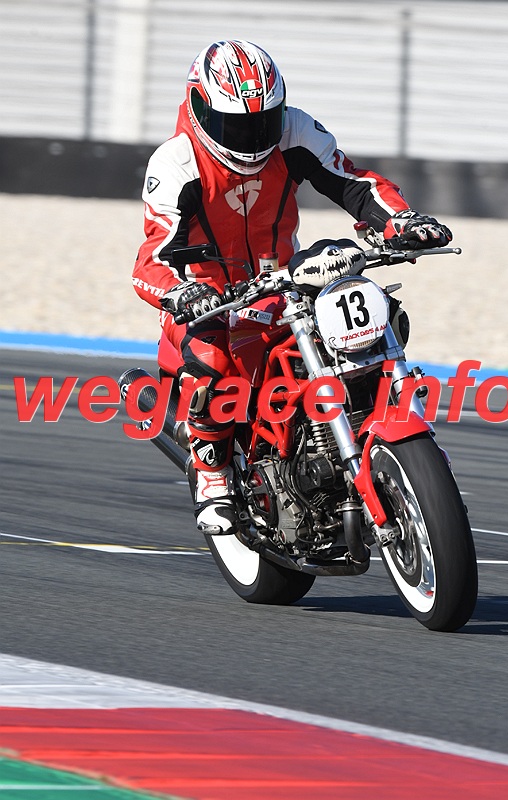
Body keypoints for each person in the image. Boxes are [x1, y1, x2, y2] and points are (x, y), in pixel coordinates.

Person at [132, 39, 452, 535]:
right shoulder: (176, 163)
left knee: (374, 316)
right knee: (212, 358)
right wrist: (180, 293)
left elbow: (351, 182)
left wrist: (401, 221)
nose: (252, 137)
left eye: (263, 122)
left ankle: (384, 427)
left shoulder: (294, 131)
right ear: (200, 108)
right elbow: (151, 257)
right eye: (236, 126)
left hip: (282, 279)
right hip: (207, 295)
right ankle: (212, 472)